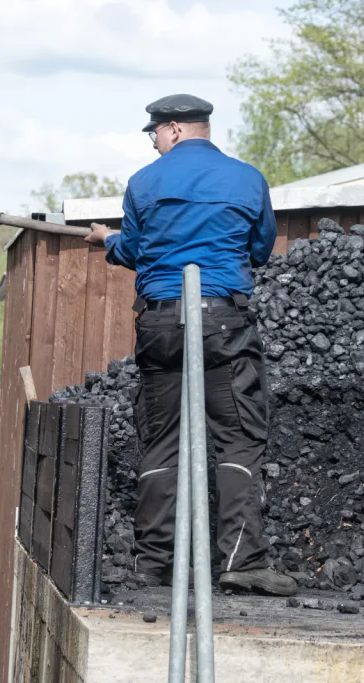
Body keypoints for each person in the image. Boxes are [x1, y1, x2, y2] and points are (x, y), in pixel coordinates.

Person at [84, 94, 297, 596]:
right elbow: (260, 248)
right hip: (223, 321)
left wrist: (107, 241)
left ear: (175, 128)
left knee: (162, 439)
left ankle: (153, 564)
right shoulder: (247, 178)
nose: (154, 142)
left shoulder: (143, 183)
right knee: (238, 436)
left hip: (160, 324)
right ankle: (241, 560)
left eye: (154, 133)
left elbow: (135, 250)